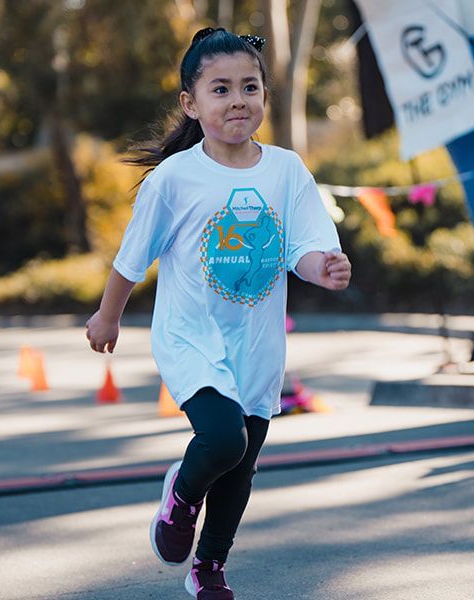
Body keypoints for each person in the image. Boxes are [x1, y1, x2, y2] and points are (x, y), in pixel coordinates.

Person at [85, 26, 352, 600]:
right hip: (191, 336)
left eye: (250, 87)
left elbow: (302, 247)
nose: (238, 100)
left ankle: (208, 568)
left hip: (257, 345)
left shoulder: (286, 170)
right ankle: (180, 495)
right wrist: (107, 316)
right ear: (192, 103)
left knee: (242, 466)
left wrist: (321, 268)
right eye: (221, 89)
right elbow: (133, 257)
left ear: (263, 96)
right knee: (224, 440)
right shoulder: (175, 178)